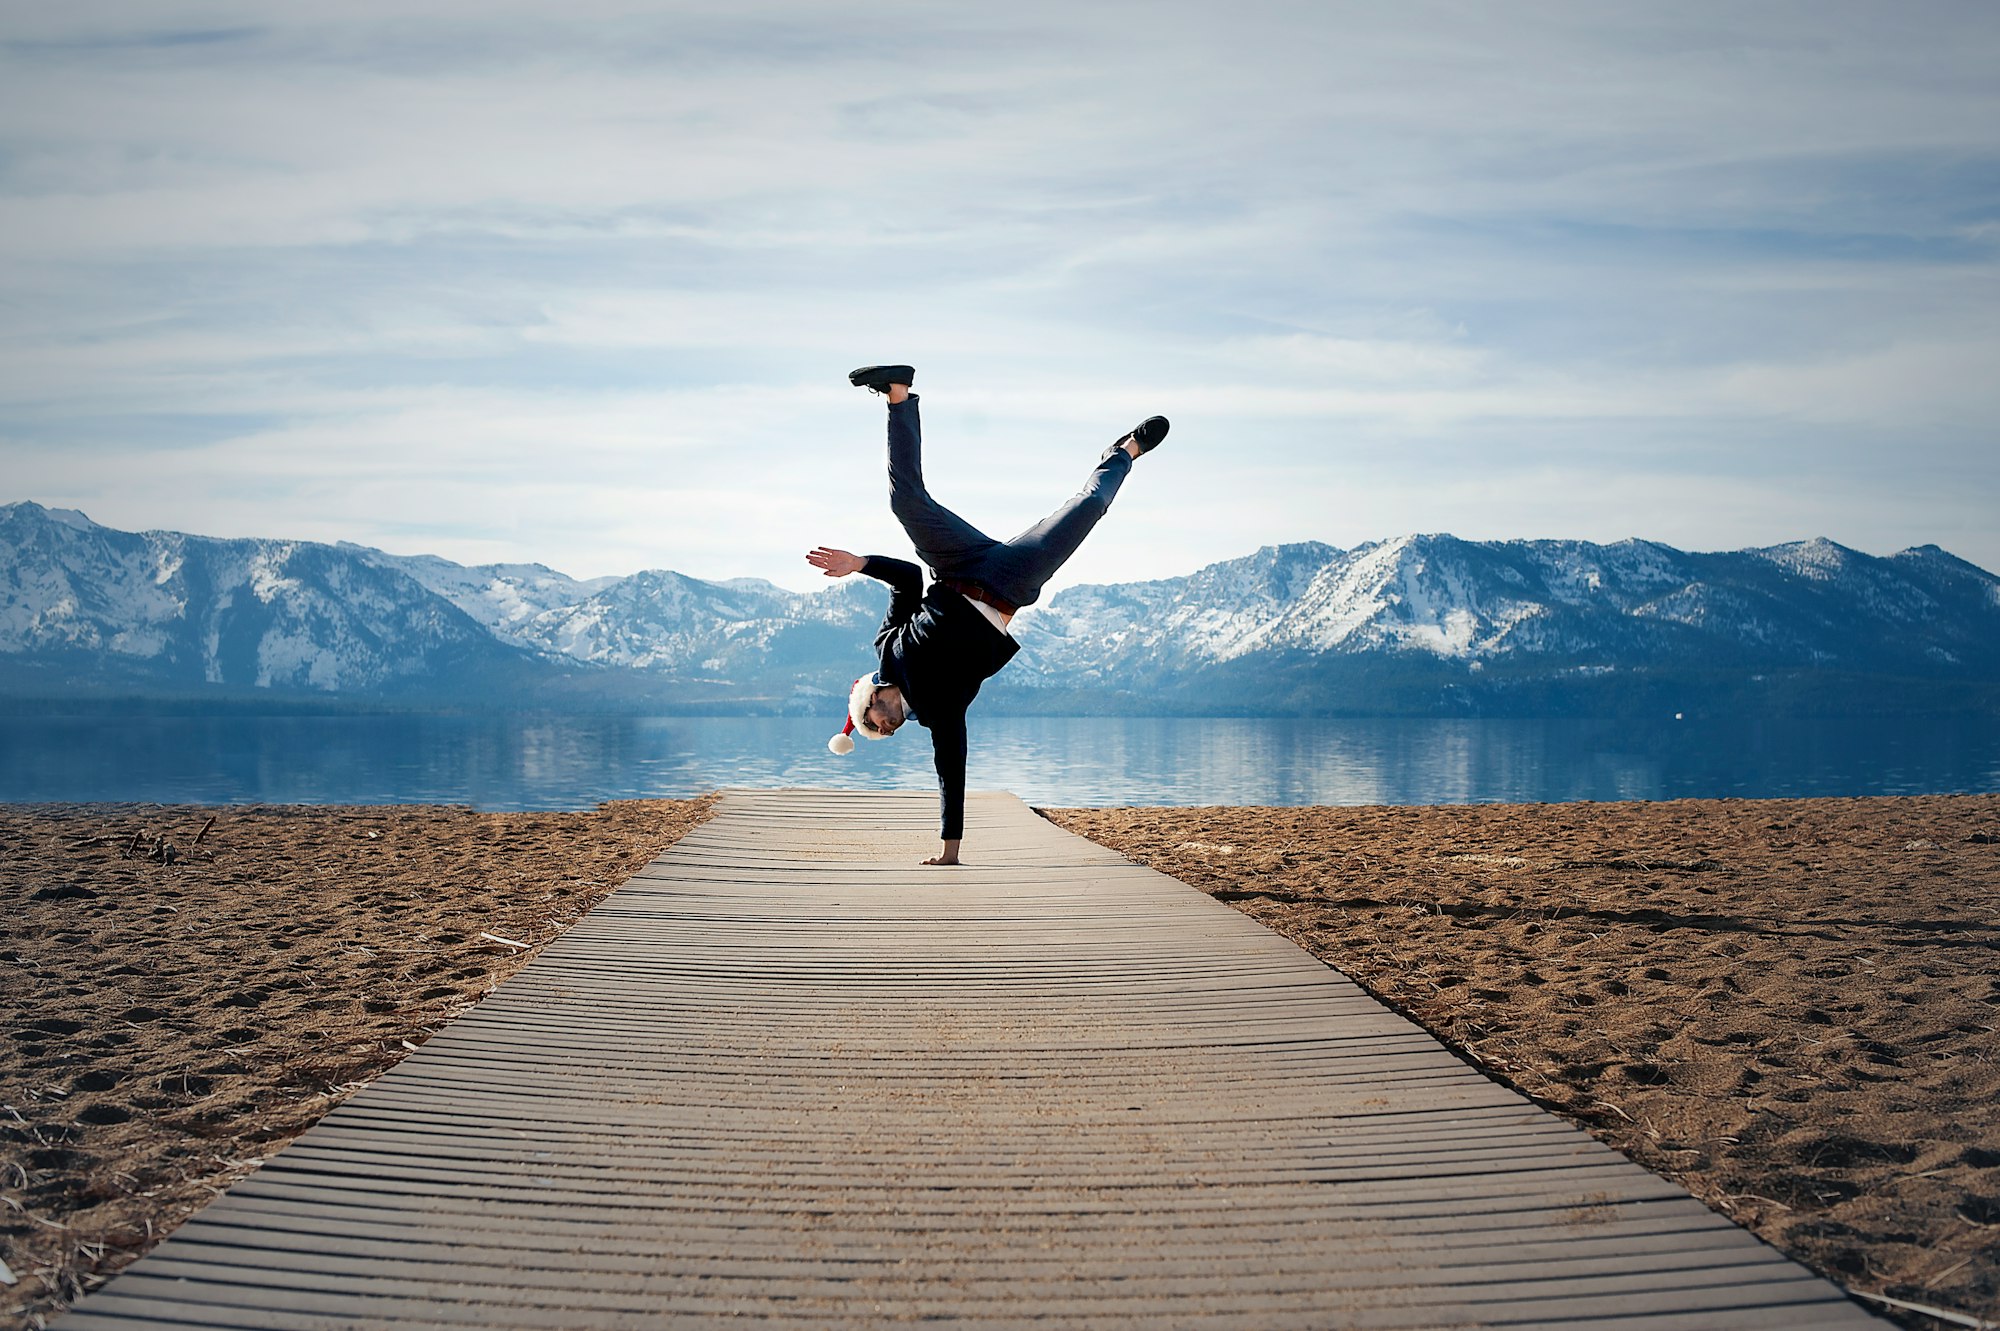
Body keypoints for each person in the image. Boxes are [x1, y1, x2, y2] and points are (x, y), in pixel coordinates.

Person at [809, 364, 1168, 865]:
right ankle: (1125, 452)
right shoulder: (939, 714)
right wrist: (949, 852)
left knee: (906, 501)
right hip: (1010, 581)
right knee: (1086, 510)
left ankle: (897, 394)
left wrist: (859, 564)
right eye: (881, 733)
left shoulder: (887, 649)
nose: (882, 730)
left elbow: (909, 579)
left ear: (868, 701)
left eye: (871, 724)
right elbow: (950, 770)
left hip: (954, 562)